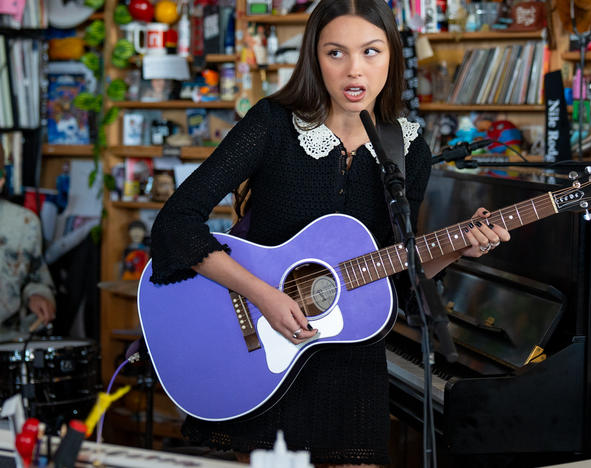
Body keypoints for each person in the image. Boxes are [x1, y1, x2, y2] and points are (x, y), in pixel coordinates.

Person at [149, 0, 510, 466]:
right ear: (314, 58)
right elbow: (176, 221)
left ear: (392, 58)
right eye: (336, 53)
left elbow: (394, 274)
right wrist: (264, 295)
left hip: (349, 366)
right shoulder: (273, 125)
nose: (354, 70)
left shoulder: (408, 149)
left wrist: (459, 247)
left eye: (371, 52)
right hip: (258, 346)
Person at [0, 146, 56, 341]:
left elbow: (35, 279)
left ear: (2, 179)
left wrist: (37, 295)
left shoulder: (24, 223)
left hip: (8, 341)